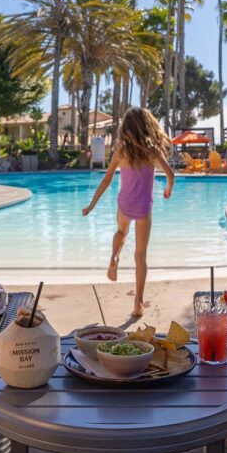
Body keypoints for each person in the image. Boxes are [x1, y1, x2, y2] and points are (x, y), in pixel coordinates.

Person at [81, 107, 175, 318]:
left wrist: (92, 205)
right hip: (143, 209)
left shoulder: (121, 152)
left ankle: (114, 258)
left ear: (126, 128)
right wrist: (168, 190)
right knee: (140, 256)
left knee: (121, 233)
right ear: (148, 126)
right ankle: (138, 304)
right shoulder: (153, 152)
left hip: (124, 205)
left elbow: (106, 181)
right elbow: (171, 174)